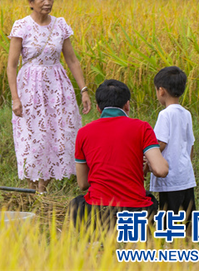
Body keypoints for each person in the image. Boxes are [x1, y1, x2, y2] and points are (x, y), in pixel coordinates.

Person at [6, 0, 92, 193]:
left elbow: (72, 60)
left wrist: (84, 90)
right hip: (30, 89)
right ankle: (34, 187)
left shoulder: (60, 25)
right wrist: (15, 98)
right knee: (32, 136)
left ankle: (43, 188)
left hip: (57, 88)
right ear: (31, 2)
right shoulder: (22, 26)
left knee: (59, 134)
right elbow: (11, 64)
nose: (47, 2)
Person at [69, 80, 169, 227]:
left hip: (98, 214)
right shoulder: (142, 128)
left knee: (76, 204)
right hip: (136, 213)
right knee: (150, 200)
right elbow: (161, 170)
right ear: (127, 105)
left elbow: (83, 184)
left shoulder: (83, 133)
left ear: (98, 107)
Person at [148, 66, 197, 226]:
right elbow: (191, 144)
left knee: (169, 214)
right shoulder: (186, 113)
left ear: (161, 91)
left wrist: (149, 159)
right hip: (186, 175)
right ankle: (192, 242)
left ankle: (167, 245)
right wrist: (188, 166)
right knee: (190, 214)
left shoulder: (165, 114)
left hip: (170, 177)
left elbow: (160, 143)